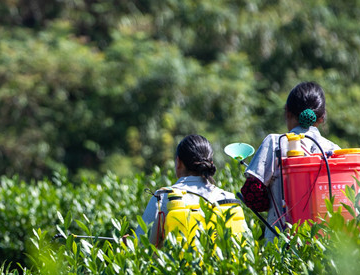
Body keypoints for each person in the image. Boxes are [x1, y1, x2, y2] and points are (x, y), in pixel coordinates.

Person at [241, 81, 341, 239]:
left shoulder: (276, 142)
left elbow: (252, 194)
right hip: (325, 245)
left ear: (287, 111)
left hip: (281, 244)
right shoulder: (335, 150)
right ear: (322, 117)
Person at [139, 134, 242, 243]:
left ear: (178, 162)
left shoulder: (163, 197)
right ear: (211, 163)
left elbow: (141, 245)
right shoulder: (228, 199)